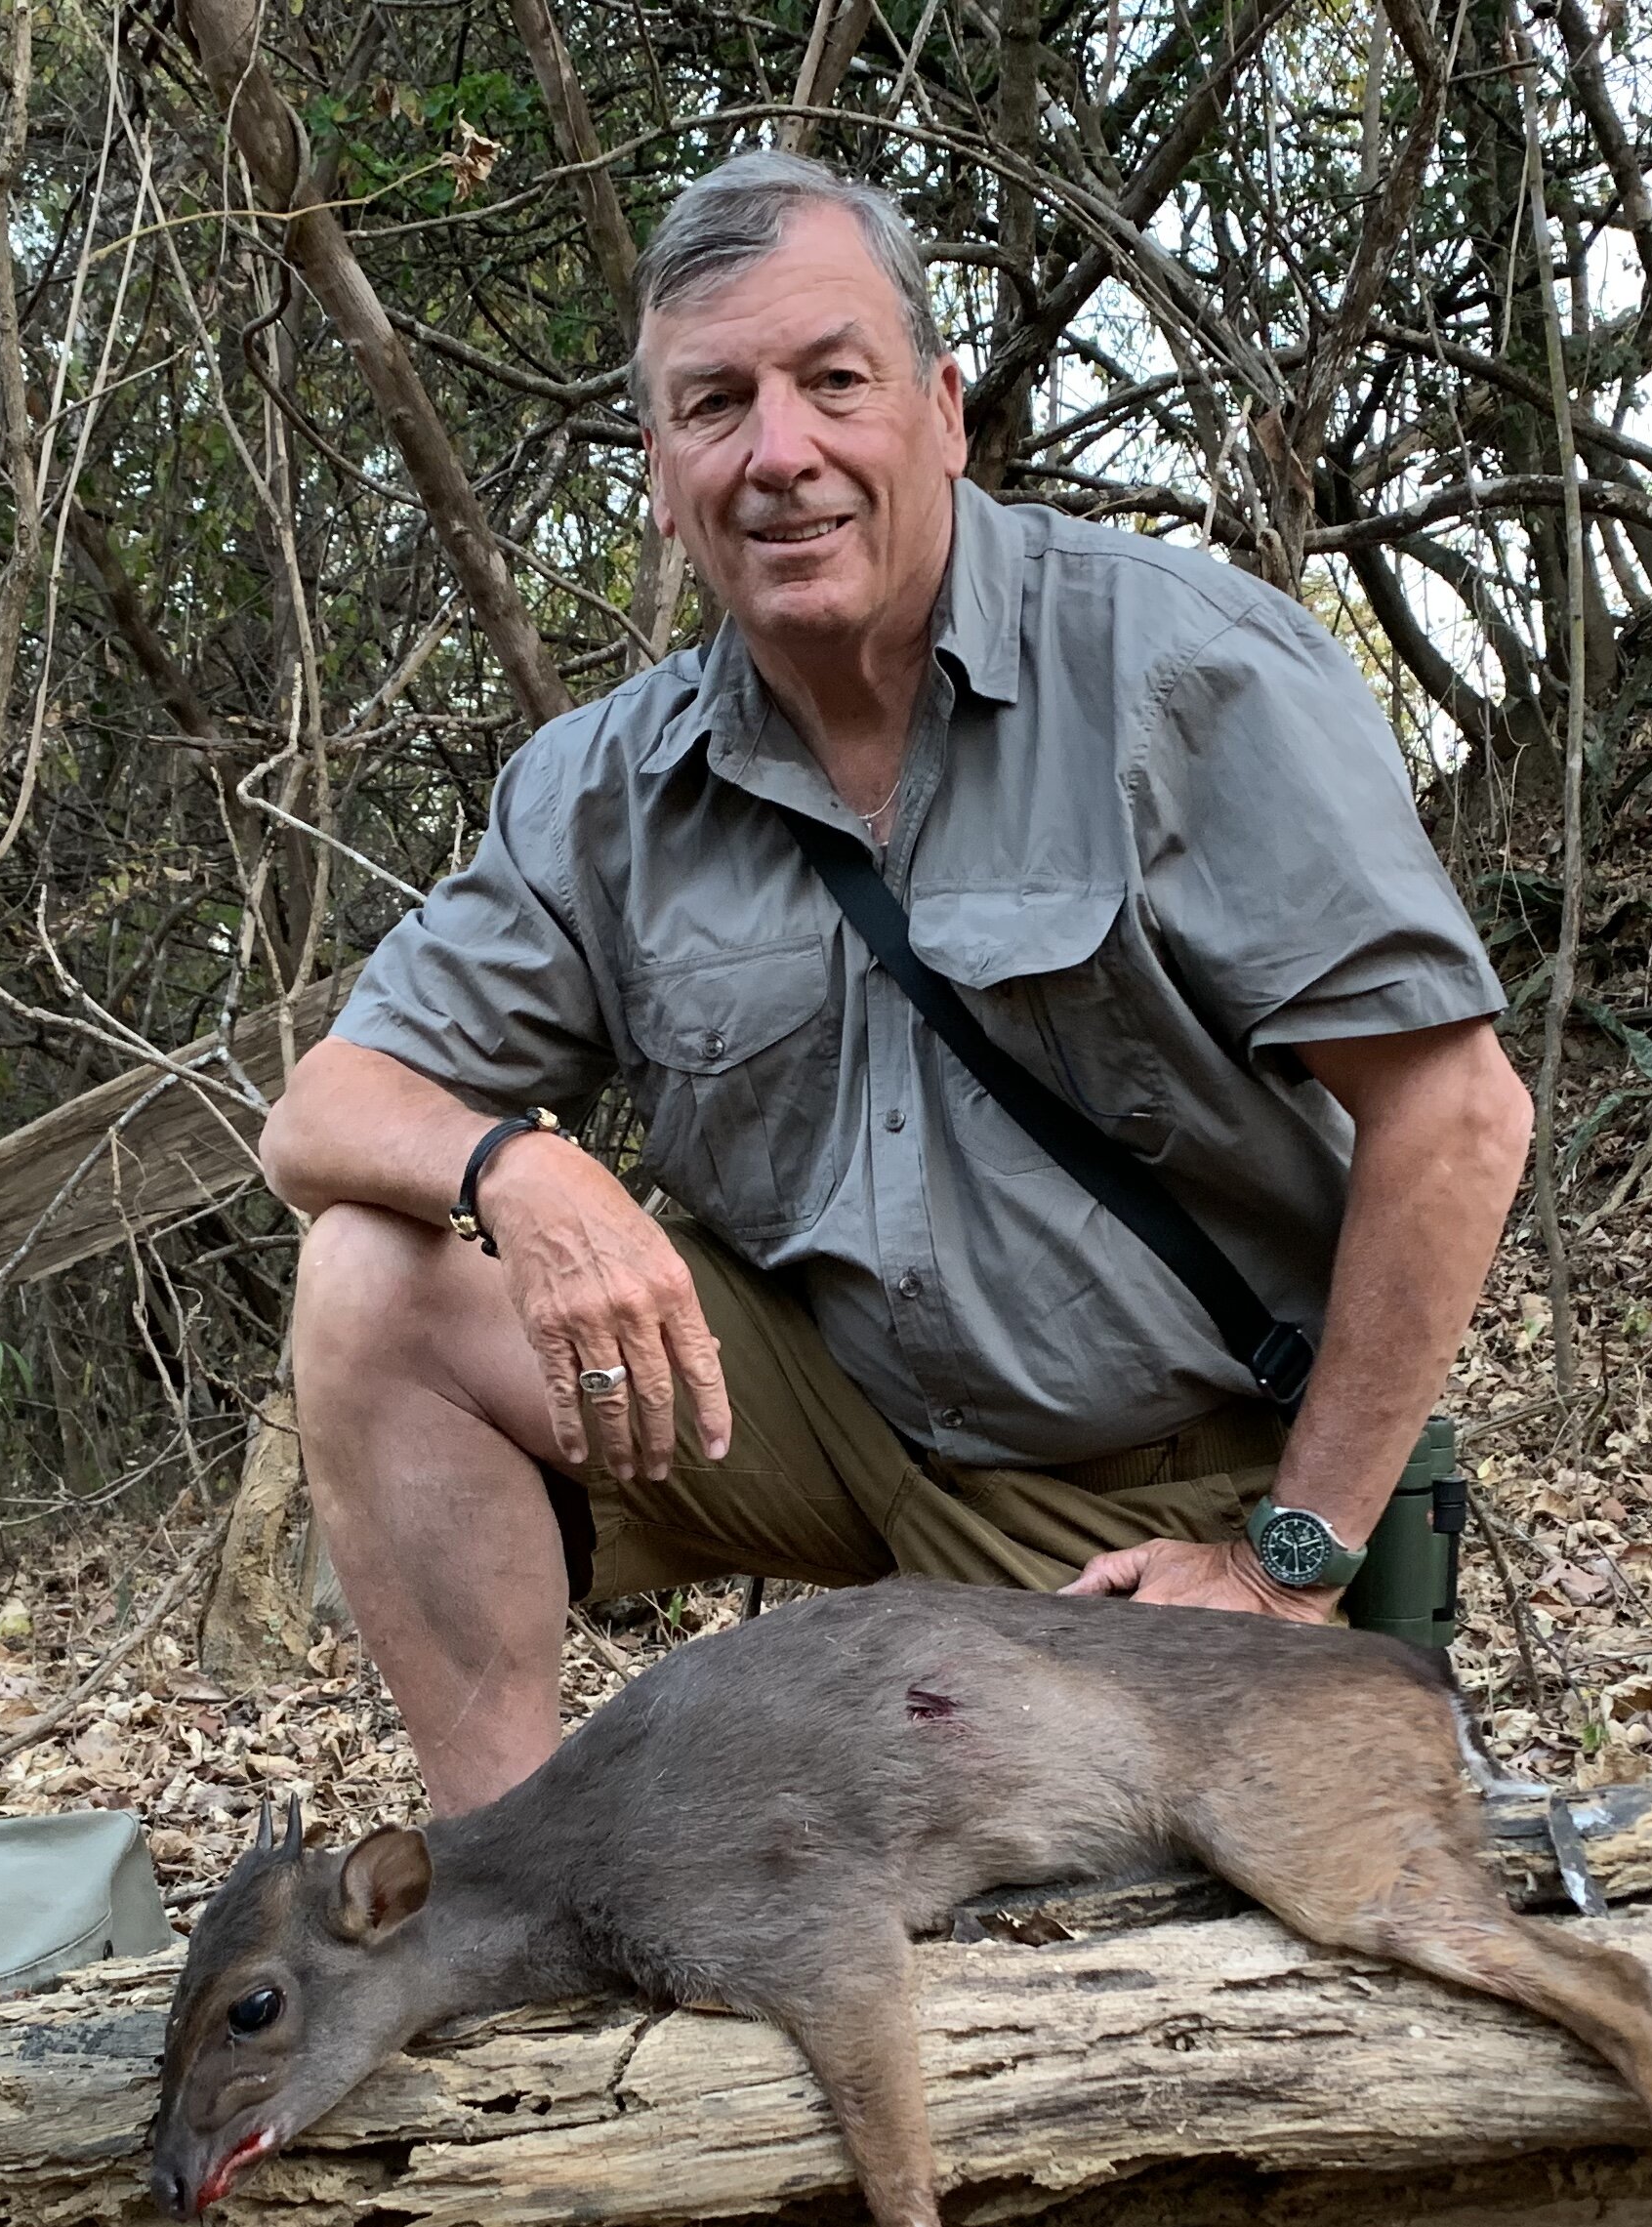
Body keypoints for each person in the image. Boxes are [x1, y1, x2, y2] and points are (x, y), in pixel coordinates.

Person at [256, 147, 1533, 1813]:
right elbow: (320, 1116)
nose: (780, 454)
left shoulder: (1180, 669)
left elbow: (1455, 1116)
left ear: (941, 407)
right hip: (835, 1417)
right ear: (658, 470)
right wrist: (527, 1170)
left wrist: (1287, 1561)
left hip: (1147, 1483)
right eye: (714, 404)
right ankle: (506, 1880)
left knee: (935, 1902)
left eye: (832, 384)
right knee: (373, 1285)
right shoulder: (604, 789)